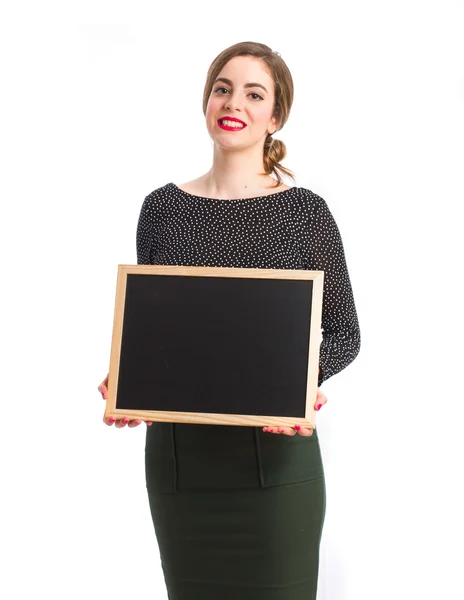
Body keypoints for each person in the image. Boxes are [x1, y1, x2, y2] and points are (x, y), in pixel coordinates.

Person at [98, 41, 361, 600]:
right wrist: (127, 377)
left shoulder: (305, 212)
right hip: (179, 469)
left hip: (277, 468)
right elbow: (163, 329)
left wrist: (303, 384)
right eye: (222, 88)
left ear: (276, 116)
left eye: (253, 92)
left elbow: (345, 333)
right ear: (206, 101)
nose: (232, 101)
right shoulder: (161, 209)